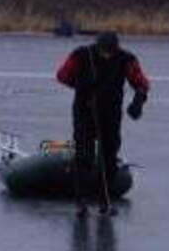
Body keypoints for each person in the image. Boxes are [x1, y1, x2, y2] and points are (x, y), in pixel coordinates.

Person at [55, 31, 150, 215]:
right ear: (97, 47)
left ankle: (104, 200)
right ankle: (81, 201)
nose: (107, 55)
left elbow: (141, 83)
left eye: (111, 52)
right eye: (104, 52)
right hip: (85, 111)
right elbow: (62, 75)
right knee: (84, 155)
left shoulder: (126, 59)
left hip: (111, 113)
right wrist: (80, 86)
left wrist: (138, 101)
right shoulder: (81, 55)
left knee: (109, 156)